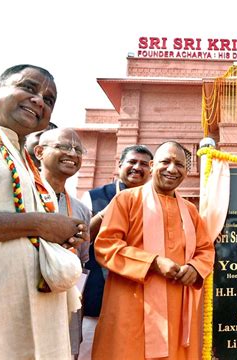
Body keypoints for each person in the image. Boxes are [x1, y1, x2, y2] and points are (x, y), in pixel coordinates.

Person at [0, 64, 87, 359]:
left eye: (48, 99)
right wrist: (39, 224)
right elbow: (33, 224)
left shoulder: (22, 159)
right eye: (29, 88)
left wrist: (60, 234)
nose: (38, 101)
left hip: (37, 316)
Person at [91, 141, 215, 359]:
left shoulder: (191, 211)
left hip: (177, 309)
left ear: (186, 172)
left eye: (179, 164)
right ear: (152, 165)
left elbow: (206, 250)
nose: (172, 169)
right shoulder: (126, 200)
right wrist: (153, 262)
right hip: (132, 305)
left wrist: (195, 268)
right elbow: (106, 245)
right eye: (165, 161)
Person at [79, 144, 153, 359]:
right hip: (98, 294)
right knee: (90, 352)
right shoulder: (95, 197)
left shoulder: (154, 201)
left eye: (144, 164)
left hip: (140, 294)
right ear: (119, 165)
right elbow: (81, 242)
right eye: (132, 162)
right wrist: (104, 214)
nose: (137, 167)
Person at [35, 128, 92, 359]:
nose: (72, 153)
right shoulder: (19, 191)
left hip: (62, 299)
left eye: (78, 149)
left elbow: (82, 262)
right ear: (39, 151)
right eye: (63, 146)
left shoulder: (81, 210)